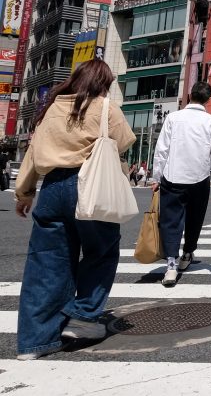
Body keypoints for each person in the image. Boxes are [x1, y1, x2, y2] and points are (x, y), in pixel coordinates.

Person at [13, 60, 136, 359]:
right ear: (103, 82)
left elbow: (34, 152)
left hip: (53, 188)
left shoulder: (52, 108)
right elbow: (123, 142)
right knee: (102, 250)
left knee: (46, 264)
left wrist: (24, 192)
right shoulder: (106, 106)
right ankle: (83, 318)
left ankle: (34, 341)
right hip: (90, 185)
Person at [151, 82, 211, 288]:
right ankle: (188, 253)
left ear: (190, 95)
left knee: (171, 220)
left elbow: (162, 149)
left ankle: (171, 265)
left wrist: (156, 177)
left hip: (172, 176)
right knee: (195, 218)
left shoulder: (173, 118)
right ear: (208, 100)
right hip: (199, 177)